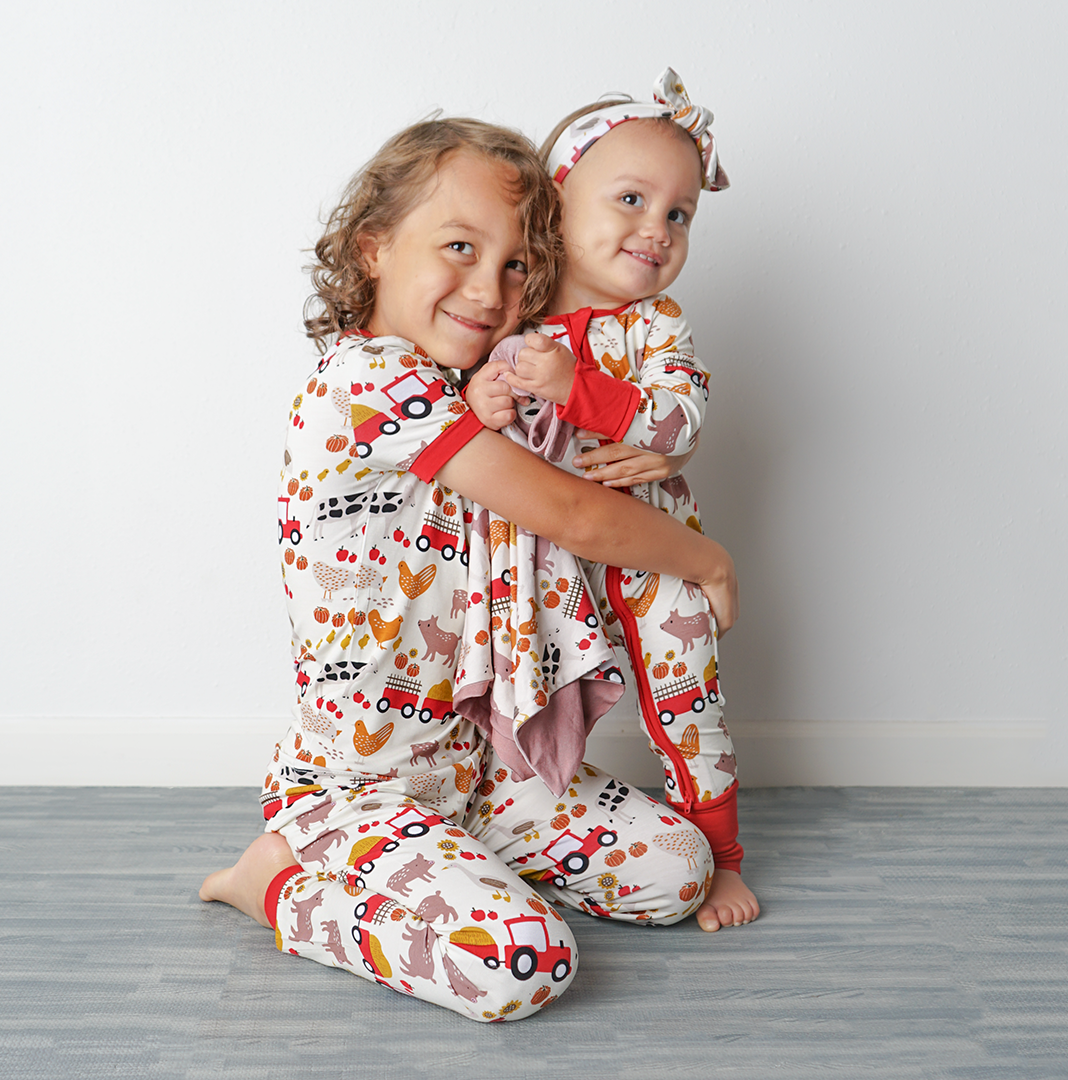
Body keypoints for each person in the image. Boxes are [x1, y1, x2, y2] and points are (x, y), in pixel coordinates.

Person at [200, 117, 740, 1023]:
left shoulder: (467, 382)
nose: (489, 288)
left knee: (678, 871)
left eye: (517, 264)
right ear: (374, 247)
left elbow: (590, 440)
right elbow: (570, 513)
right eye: (459, 247)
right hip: (358, 784)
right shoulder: (374, 382)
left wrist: (638, 435)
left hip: (477, 772)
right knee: (524, 968)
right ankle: (276, 884)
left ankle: (458, 858)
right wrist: (708, 560)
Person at [465, 69, 760, 933]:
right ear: (558, 203)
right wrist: (492, 395)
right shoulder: (511, 309)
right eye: (630, 198)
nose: (655, 229)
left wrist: (583, 389)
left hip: (653, 551)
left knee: (688, 700)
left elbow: (676, 421)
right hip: (542, 565)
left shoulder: (658, 325)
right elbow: (480, 417)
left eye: (678, 214)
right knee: (543, 692)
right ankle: (551, 833)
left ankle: (724, 857)